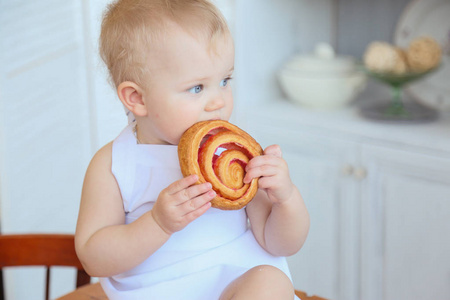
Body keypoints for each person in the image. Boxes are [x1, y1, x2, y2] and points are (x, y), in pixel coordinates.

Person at [75, 0, 310, 299]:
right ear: (138, 98)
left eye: (225, 81)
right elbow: (93, 257)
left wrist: (285, 198)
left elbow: (281, 244)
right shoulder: (114, 164)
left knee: (272, 282)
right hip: (154, 291)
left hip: (234, 283)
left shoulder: (232, 156)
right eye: (197, 88)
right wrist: (158, 223)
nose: (219, 102)